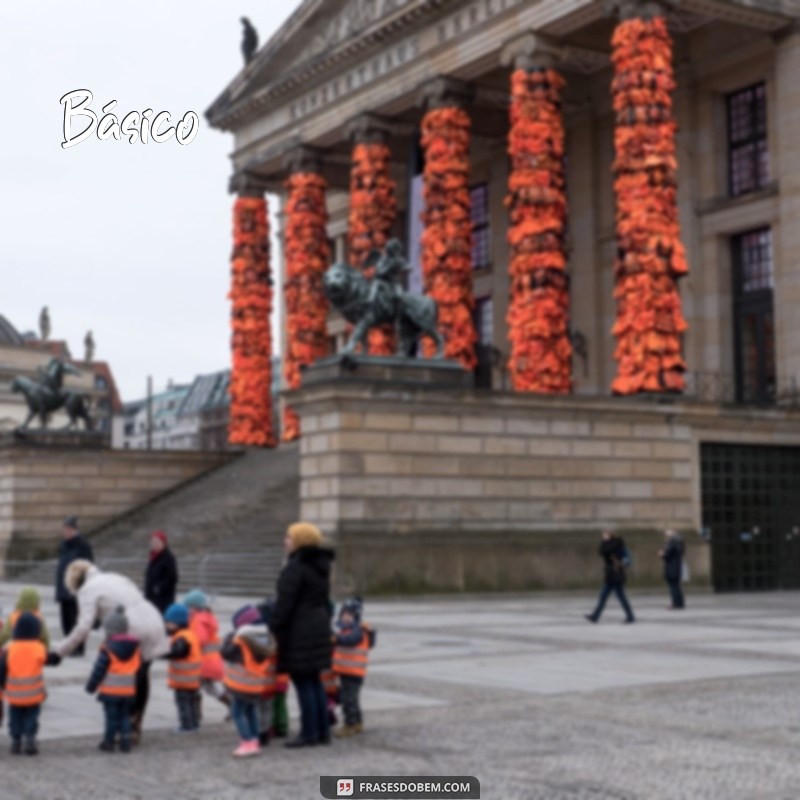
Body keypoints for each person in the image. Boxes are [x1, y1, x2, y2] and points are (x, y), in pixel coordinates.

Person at [55, 559, 169, 743]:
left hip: (132, 626)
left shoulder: (87, 590)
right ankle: (135, 723)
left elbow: (83, 627)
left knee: (127, 676)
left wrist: (60, 651)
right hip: (152, 618)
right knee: (143, 673)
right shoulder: (114, 577)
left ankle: (125, 725)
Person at [268, 521, 335, 748]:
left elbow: (285, 604)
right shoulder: (320, 565)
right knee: (314, 681)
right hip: (317, 625)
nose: (284, 541)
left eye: (288, 537)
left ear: (299, 541)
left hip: (300, 630)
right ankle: (322, 730)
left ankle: (309, 733)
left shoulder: (295, 567)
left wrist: (273, 627)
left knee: (303, 682)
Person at [0, 612, 61, 755]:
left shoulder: (10, 648)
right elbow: (49, 659)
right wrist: (57, 657)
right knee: (31, 717)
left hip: (15, 693)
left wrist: (2, 684)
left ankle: (16, 740)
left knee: (15, 717)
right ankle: (30, 738)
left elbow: (2, 667)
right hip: (34, 693)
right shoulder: (38, 647)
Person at [221, 604, 277, 758]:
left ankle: (247, 742)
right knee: (251, 710)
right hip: (256, 685)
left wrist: (230, 637)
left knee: (237, 712)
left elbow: (225, 652)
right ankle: (255, 738)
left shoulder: (241, 641)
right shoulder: (264, 638)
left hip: (241, 685)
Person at [85, 606, 141, 753]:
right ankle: (126, 742)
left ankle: (109, 742)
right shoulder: (135, 648)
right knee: (124, 717)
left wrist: (91, 686)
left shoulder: (107, 649)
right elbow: (139, 669)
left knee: (111, 718)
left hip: (110, 691)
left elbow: (99, 670)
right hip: (128, 691)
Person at [333, 597, 375, 737]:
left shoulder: (358, 629)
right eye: (343, 614)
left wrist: (336, 639)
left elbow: (351, 640)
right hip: (346, 671)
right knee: (352, 698)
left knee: (348, 699)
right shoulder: (343, 629)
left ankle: (350, 724)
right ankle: (357, 722)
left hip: (354, 672)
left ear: (356, 616)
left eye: (349, 615)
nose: (345, 617)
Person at [183, 589, 229, 717]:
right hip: (211, 661)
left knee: (195, 686)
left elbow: (200, 639)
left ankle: (195, 714)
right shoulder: (206, 617)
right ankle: (231, 705)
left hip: (203, 661)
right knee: (210, 688)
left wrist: (187, 642)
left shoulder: (198, 621)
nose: (187, 610)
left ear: (195, 607)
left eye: (188, 607)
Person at [54, 515, 93, 657]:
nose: (65, 532)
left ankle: (78, 648)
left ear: (74, 529)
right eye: (64, 529)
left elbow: (88, 566)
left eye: (67, 529)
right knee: (65, 620)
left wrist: (80, 585)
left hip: (76, 589)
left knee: (76, 620)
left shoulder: (83, 545)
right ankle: (68, 646)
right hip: (63, 588)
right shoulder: (63, 544)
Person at [163, 603, 201, 733]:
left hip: (183, 679)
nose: (166, 626)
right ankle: (194, 723)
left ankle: (186, 725)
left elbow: (177, 652)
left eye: (168, 623)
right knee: (191, 702)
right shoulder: (189, 634)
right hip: (192, 678)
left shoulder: (182, 637)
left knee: (183, 703)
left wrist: (162, 653)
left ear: (176, 623)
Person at [585, 530, 635, 624]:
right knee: (604, 596)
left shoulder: (619, 545)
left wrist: (621, 564)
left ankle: (630, 616)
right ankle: (595, 616)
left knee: (620, 597)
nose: (603, 536)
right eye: (603, 535)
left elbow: (628, 559)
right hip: (609, 574)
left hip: (616, 574)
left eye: (605, 534)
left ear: (611, 535)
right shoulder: (605, 546)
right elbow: (602, 552)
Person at [144, 530, 178, 614]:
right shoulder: (153, 557)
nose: (154, 544)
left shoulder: (168, 558)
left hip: (163, 599)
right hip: (150, 597)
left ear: (163, 543)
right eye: (153, 542)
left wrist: (159, 588)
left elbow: (172, 577)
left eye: (157, 542)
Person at [660, 529, 686, 610]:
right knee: (677, 586)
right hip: (677, 567)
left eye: (666, 536)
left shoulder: (671, 544)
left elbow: (666, 555)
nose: (665, 537)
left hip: (672, 568)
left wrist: (661, 554)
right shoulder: (680, 543)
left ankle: (675, 603)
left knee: (673, 587)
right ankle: (680, 603)